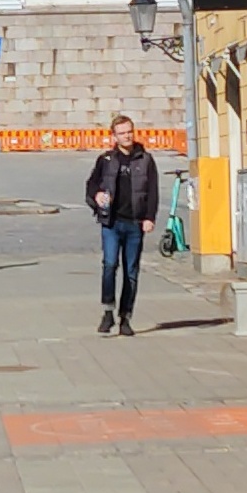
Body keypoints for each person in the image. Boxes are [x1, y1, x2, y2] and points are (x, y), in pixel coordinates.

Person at [84, 114, 158, 337]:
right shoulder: (106, 160)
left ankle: (126, 317)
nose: (127, 136)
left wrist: (149, 217)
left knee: (131, 271)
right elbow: (91, 184)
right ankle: (108, 311)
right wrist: (96, 197)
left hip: (135, 223)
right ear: (114, 136)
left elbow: (153, 191)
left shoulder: (145, 160)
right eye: (122, 133)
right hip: (112, 222)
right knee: (109, 265)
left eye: (129, 132)